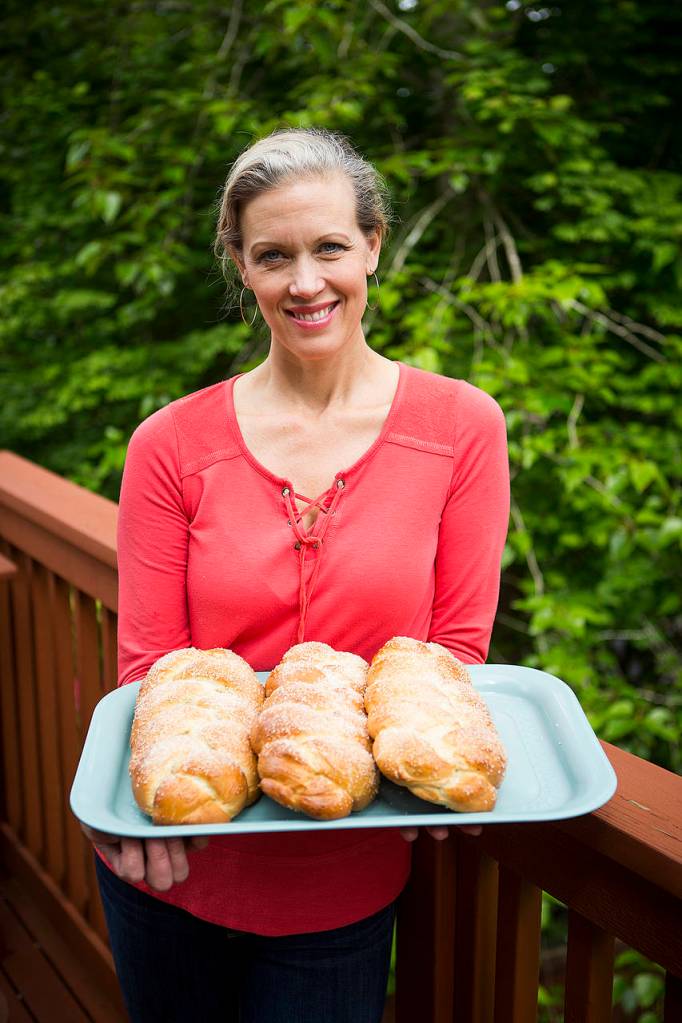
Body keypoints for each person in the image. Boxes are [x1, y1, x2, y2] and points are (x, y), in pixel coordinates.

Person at [79, 127, 510, 1023]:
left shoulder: (463, 427)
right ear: (240, 265)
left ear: (374, 245)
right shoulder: (170, 444)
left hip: (340, 878)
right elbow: (149, 667)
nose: (305, 282)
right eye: (273, 255)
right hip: (175, 856)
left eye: (330, 248)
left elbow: (449, 660)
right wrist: (124, 806)